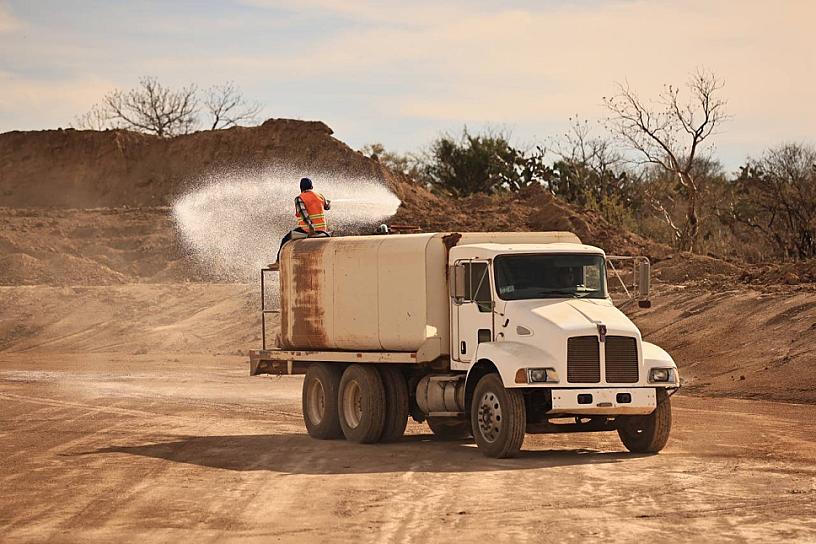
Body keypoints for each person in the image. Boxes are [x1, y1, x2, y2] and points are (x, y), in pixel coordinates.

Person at [275, 177, 331, 264]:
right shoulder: (320, 196)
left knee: (285, 239)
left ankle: (278, 262)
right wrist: (328, 202)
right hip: (323, 230)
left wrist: (310, 227)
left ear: (301, 188)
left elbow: (303, 214)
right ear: (312, 187)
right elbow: (327, 207)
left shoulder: (299, 198)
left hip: (308, 230)